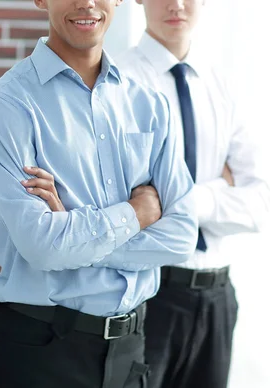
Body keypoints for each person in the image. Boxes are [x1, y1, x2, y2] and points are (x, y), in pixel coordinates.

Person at [0, 0, 198, 387]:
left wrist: (75, 234)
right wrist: (136, 214)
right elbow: (42, 246)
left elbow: (181, 238)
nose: (86, 4)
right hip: (40, 352)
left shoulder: (150, 105)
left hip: (130, 352)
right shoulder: (6, 105)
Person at [113, 1, 270, 387]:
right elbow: (120, 200)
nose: (177, 5)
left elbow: (261, 203)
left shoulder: (222, 83)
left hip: (217, 297)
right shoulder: (118, 82)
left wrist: (180, 200)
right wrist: (222, 187)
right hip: (151, 293)